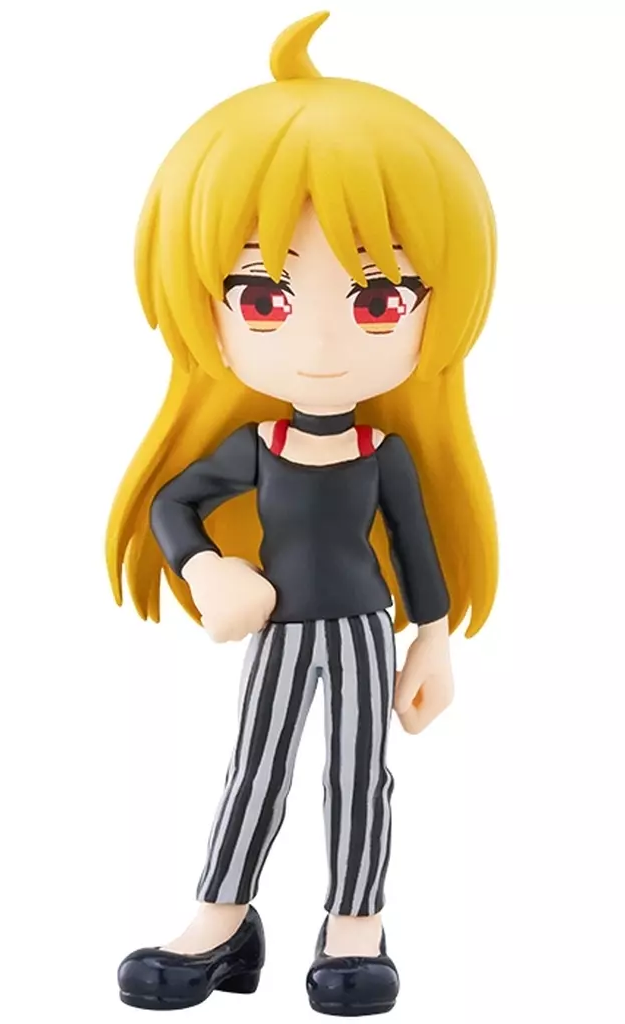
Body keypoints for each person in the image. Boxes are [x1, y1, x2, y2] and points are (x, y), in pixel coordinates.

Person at [106, 10, 497, 1016]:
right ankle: (222, 916)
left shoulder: (384, 455)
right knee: (256, 768)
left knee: (360, 773)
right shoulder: (257, 445)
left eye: (379, 301)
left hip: (365, 625)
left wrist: (433, 637)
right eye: (262, 297)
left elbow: (414, 544)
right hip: (279, 627)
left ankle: (355, 921)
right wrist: (204, 567)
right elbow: (173, 504)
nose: (322, 342)